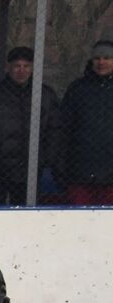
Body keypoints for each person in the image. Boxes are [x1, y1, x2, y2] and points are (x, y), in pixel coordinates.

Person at [0, 47, 61, 206]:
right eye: (17, 66)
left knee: (27, 218)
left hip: (30, 171)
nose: (21, 71)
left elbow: (56, 129)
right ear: (8, 67)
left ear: (33, 68)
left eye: (26, 66)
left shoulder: (45, 95)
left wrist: (44, 158)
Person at [58, 40, 113, 205]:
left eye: (107, 58)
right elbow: (63, 129)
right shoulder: (78, 89)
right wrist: (62, 167)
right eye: (97, 58)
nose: (101, 62)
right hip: (80, 172)